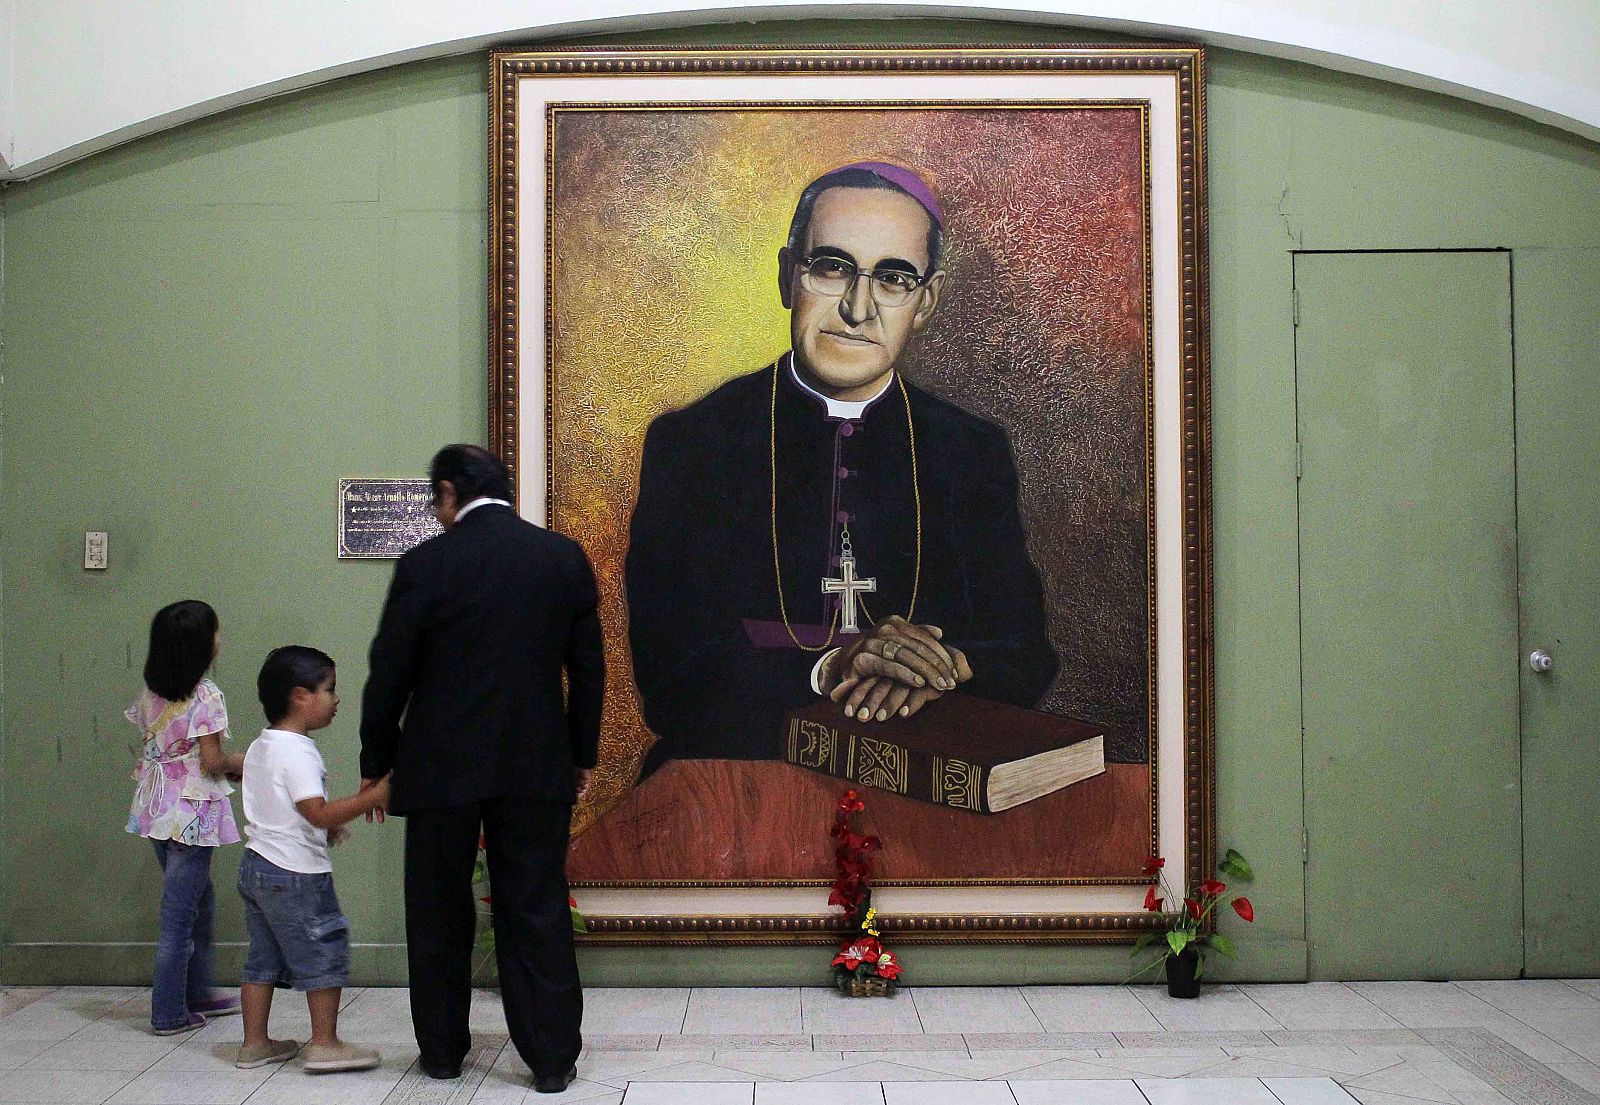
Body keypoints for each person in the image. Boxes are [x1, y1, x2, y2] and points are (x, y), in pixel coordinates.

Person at [625, 162, 1058, 777]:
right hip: (733, 774)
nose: (859, 308)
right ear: (786, 276)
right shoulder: (695, 442)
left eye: (893, 278)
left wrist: (935, 669)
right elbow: (670, 679)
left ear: (926, 301)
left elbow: (1026, 655)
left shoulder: (967, 450)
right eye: (832, 267)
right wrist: (832, 670)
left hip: (923, 778)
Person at [360, 444, 604, 1094]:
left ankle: (442, 1052)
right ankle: (551, 1058)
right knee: (535, 903)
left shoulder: (425, 564)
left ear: (448, 492)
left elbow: (389, 673)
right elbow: (587, 669)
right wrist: (580, 753)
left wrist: (375, 762)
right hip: (536, 761)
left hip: (438, 767)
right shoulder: (561, 558)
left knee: (438, 906)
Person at [235, 646, 389, 1072]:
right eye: (330, 690)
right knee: (324, 948)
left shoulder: (263, 744)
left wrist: (325, 826)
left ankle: (254, 1043)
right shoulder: (299, 751)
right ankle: (324, 1042)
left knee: (262, 957)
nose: (337, 699)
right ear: (301, 696)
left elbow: (287, 806)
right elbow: (315, 810)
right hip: (297, 873)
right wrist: (371, 798)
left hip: (257, 866)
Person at [125, 599, 245, 1035]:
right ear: (200, 647)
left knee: (200, 902)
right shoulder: (207, 697)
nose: (220, 639)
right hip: (190, 814)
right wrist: (246, 761)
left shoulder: (149, 694)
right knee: (178, 917)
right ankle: (169, 1011)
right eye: (215, 632)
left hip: (156, 810)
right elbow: (212, 762)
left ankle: (198, 992)